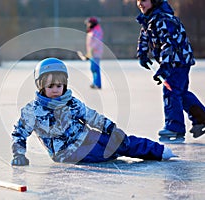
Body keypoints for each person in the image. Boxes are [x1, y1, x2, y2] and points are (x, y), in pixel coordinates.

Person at [11, 57, 176, 166]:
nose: (55, 90)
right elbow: (19, 133)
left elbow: (92, 117)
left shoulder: (72, 103)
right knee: (110, 150)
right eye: (50, 86)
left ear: (65, 85)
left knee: (122, 141)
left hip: (88, 137)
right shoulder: (32, 111)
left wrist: (111, 128)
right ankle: (133, 151)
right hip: (68, 153)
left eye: (59, 86)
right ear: (41, 86)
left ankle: (159, 151)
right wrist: (19, 154)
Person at [136, 0, 205, 143]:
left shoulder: (164, 19)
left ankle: (175, 128)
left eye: (144, 0)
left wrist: (165, 67)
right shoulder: (148, 20)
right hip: (173, 61)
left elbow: (170, 44)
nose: (140, 4)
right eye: (138, 1)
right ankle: (201, 117)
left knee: (171, 92)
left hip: (177, 61)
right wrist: (142, 54)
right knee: (180, 92)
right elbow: (144, 38)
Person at [84, 17, 103, 89]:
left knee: (95, 68)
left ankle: (98, 83)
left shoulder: (97, 31)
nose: (87, 24)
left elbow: (97, 42)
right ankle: (95, 82)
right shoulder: (91, 31)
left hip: (96, 53)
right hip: (92, 53)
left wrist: (91, 50)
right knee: (93, 68)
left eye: (88, 23)